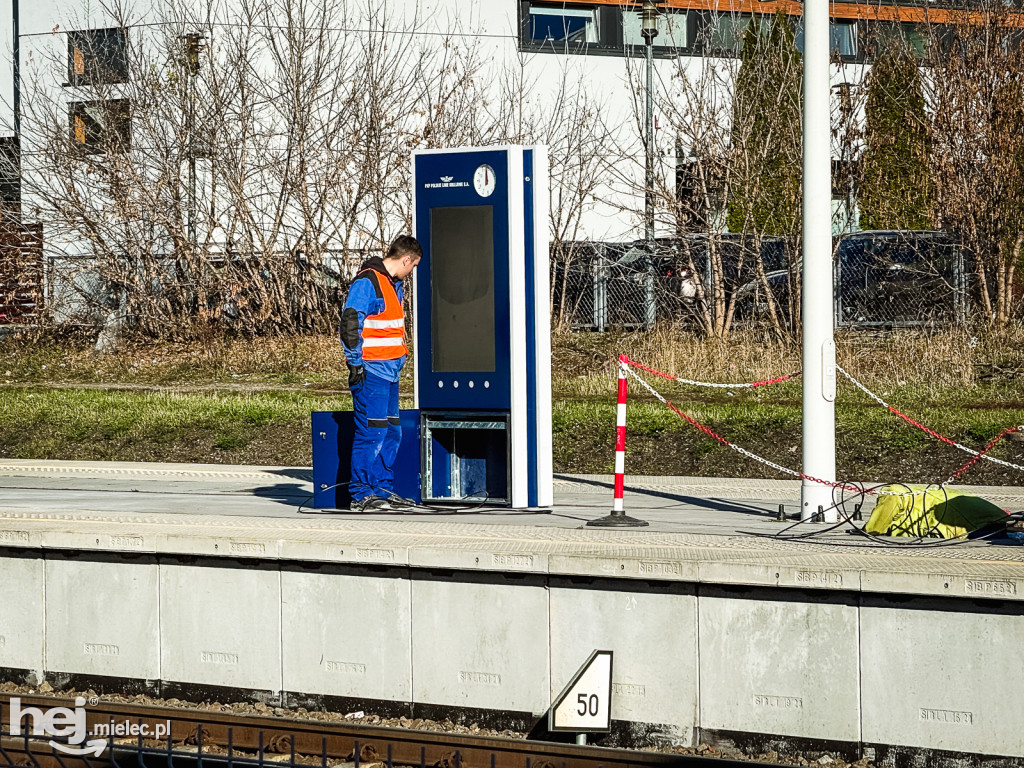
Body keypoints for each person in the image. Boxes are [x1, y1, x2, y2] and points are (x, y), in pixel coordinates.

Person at [340, 236, 422, 511]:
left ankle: (382, 490)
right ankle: (361, 494)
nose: (411, 272)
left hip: (389, 372)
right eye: (413, 266)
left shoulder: (392, 284)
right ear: (406, 259)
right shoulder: (369, 282)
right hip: (372, 371)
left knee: (391, 433)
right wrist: (355, 364)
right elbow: (350, 321)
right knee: (372, 433)